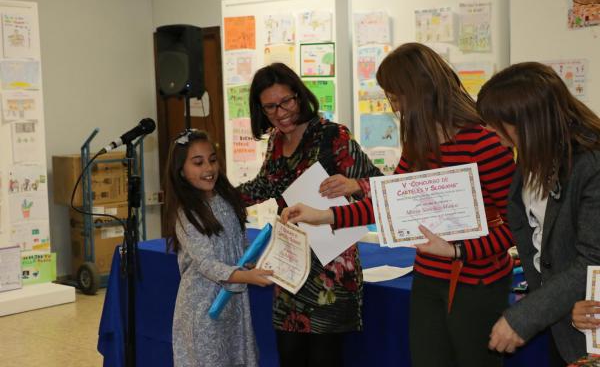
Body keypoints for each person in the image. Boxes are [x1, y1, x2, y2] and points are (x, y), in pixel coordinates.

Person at [281, 43, 516, 367]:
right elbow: (387, 203)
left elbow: (518, 226)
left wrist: (460, 252)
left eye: (394, 96)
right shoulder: (419, 144)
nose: (393, 105)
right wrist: (324, 215)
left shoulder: (485, 144)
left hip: (477, 284)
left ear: (417, 92)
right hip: (429, 278)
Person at [237, 62, 382, 367]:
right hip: (290, 267)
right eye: (270, 107)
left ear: (299, 96)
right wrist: (220, 198)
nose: (280, 113)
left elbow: (382, 188)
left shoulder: (332, 136)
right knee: (289, 355)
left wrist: (355, 183)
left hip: (331, 273)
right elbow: (266, 184)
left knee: (324, 359)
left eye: (286, 101)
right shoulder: (277, 140)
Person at [478, 62, 600, 365]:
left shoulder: (590, 164)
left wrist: (525, 316)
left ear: (526, 121)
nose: (490, 131)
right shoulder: (533, 157)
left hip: (588, 323)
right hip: (565, 321)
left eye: (496, 123)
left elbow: (591, 258)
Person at [163, 129, 273, 367]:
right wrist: (248, 277)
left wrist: (253, 262)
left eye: (212, 160)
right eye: (198, 163)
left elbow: (240, 242)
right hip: (203, 307)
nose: (209, 169)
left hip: (233, 304)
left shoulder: (228, 198)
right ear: (181, 170)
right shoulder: (186, 213)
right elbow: (207, 264)